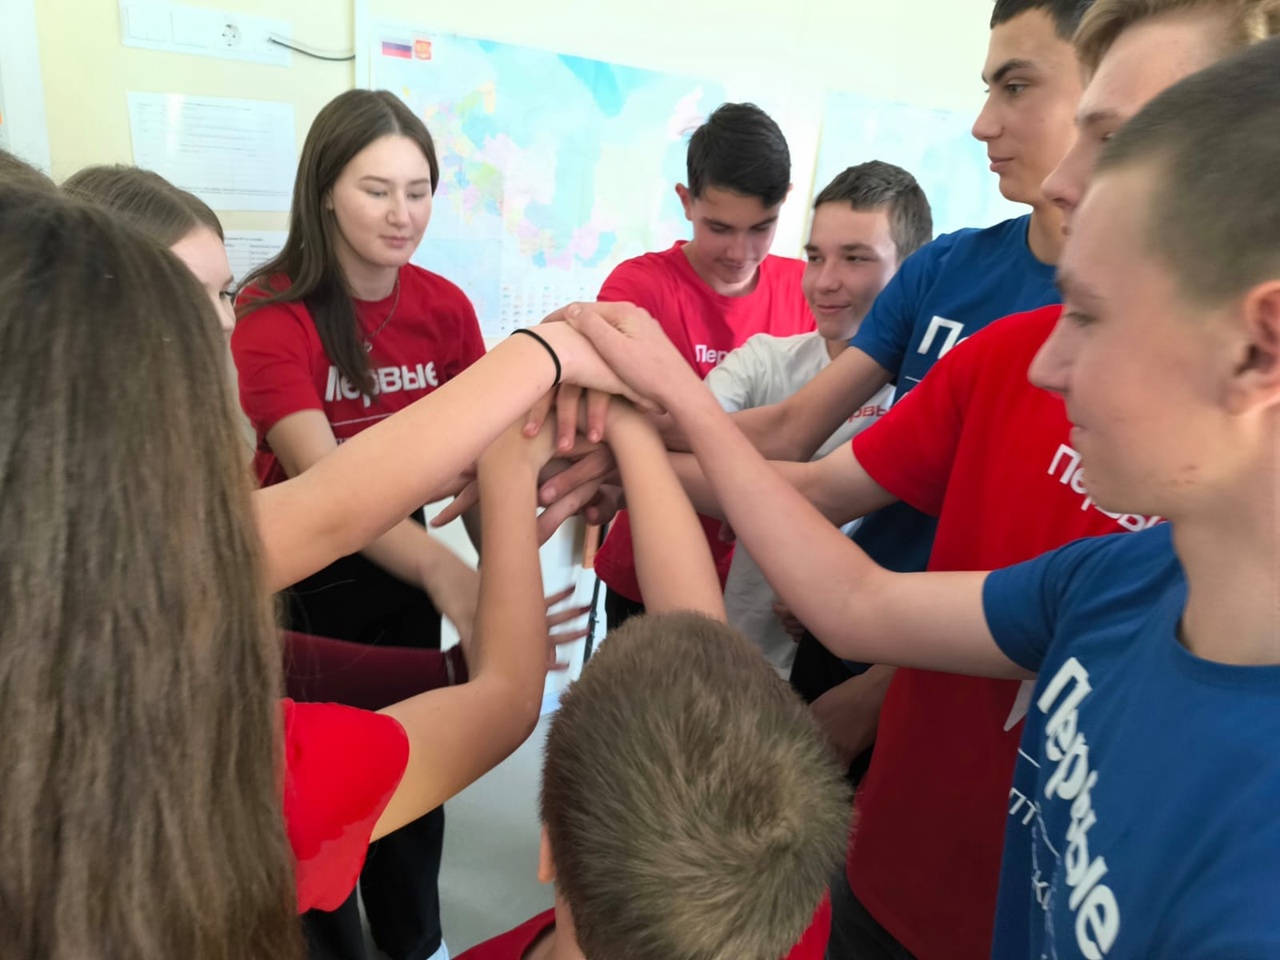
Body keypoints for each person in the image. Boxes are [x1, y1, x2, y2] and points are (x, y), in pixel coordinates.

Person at [567, 35, 1280, 958]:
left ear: (1258, 347)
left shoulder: (1246, 871)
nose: (1049, 365)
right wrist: (644, 433)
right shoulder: (1118, 576)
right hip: (894, 873)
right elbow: (855, 598)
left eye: (1090, 315)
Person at [231, 88, 486, 960]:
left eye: (418, 190)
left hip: (401, 571)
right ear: (326, 194)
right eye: (376, 190)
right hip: (306, 580)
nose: (401, 213)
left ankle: (418, 941)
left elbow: (483, 462)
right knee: (317, 800)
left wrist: (495, 578)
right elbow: (327, 485)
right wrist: (449, 573)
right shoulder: (270, 310)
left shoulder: (445, 308)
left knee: (412, 774)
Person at [455, 398, 849, 960]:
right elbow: (697, 637)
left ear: (548, 852)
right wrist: (626, 431)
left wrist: (508, 468)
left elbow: (503, 695)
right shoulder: (785, 911)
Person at [587, 101, 816, 630]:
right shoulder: (638, 290)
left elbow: (818, 436)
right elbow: (617, 427)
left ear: (784, 202)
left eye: (761, 228)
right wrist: (766, 444)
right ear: (686, 201)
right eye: (719, 227)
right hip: (648, 572)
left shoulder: (809, 292)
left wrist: (672, 430)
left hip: (769, 578)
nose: (740, 251)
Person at [705, 161, 929, 676]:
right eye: (814, 257)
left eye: (855, 258)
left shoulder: (927, 392)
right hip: (745, 664)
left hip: (856, 673)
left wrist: (741, 488)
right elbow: (688, 432)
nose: (825, 282)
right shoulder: (766, 358)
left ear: (914, 270)